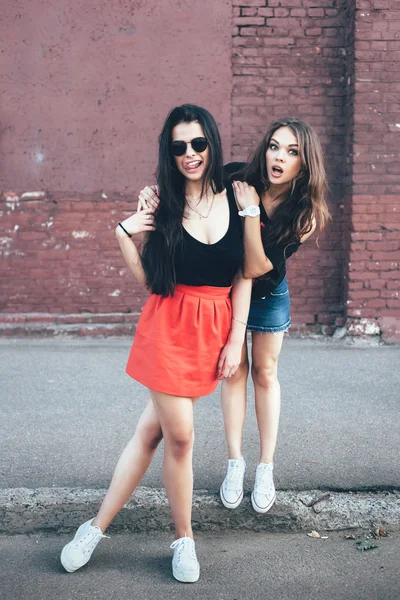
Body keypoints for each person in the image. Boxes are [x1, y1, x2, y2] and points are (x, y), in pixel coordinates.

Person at [60, 104, 252, 583]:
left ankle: (94, 527)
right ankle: (184, 540)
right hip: (168, 328)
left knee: (151, 434)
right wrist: (125, 235)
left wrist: (235, 340)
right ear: (170, 153)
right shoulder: (163, 204)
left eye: (198, 143)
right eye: (179, 146)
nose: (190, 154)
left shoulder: (237, 193)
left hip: (213, 329)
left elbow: (245, 274)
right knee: (181, 436)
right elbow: (152, 281)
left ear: (212, 142)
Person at [138, 117, 330, 515]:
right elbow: (192, 193)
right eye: (275, 146)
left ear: (304, 164)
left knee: (265, 372)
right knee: (234, 371)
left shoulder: (304, 214)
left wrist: (251, 212)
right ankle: (235, 462)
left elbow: (257, 265)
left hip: (268, 292)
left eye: (292, 152)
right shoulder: (236, 177)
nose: (280, 157)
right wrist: (153, 193)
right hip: (227, 294)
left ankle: (265, 467)